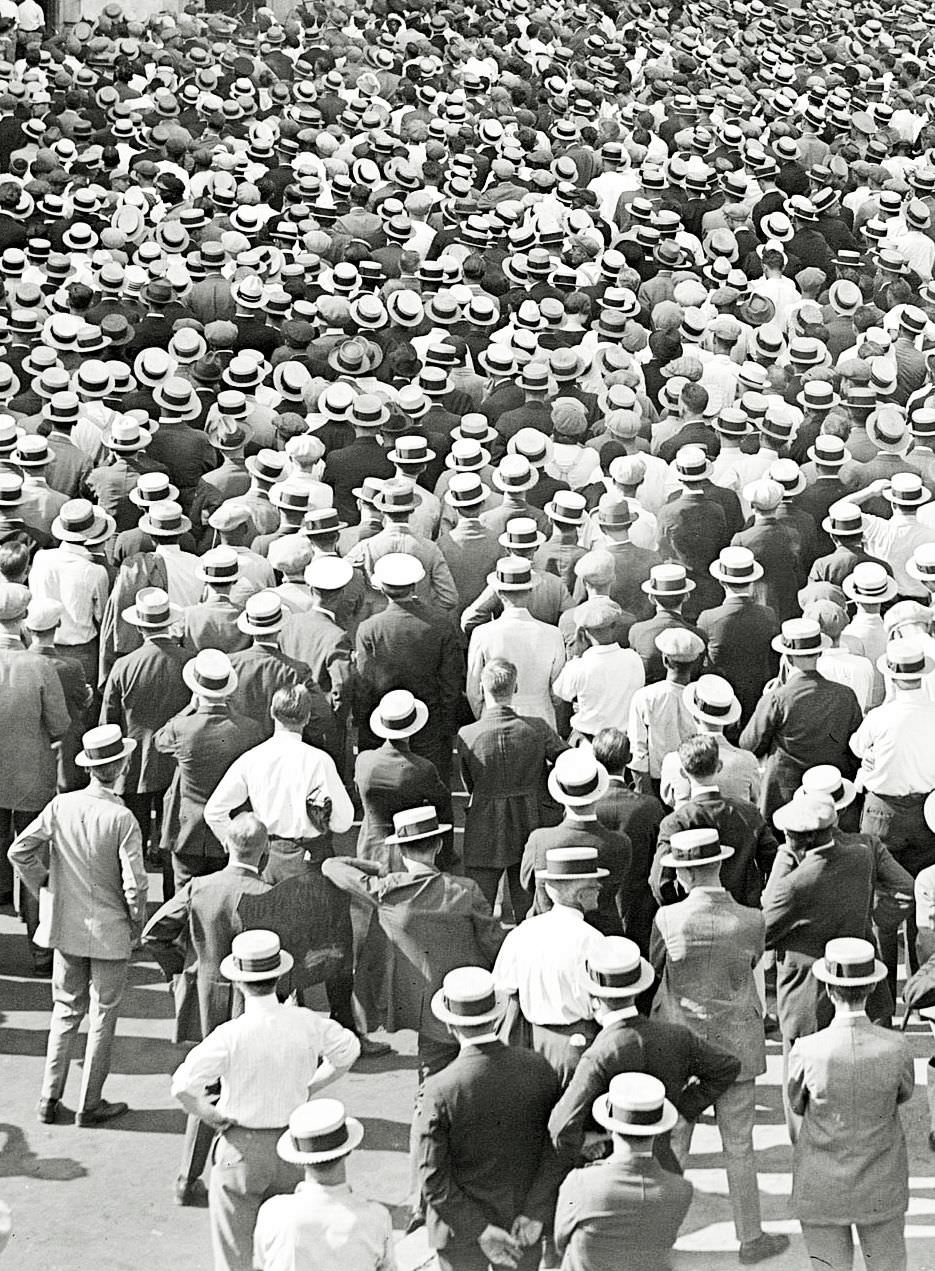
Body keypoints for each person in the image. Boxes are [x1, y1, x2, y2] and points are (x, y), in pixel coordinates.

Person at [170, 929, 360, 1271]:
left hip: (238, 1151)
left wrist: (209, 1114)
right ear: (279, 976)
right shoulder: (307, 1022)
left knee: (234, 1253)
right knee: (288, 1251)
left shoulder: (230, 1035)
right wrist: (314, 1085)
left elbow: (183, 1085)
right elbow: (348, 1051)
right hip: (294, 1147)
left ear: (240, 983)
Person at [650, 828, 789, 1265]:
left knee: (674, 1142)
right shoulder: (752, 919)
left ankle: (660, 1239)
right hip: (736, 1046)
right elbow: (752, 963)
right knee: (739, 1146)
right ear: (719, 865)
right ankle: (750, 1239)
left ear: (685, 874)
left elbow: (655, 968)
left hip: (682, 1045)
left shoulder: (666, 920)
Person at [9, 724, 147, 1126]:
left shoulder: (60, 806)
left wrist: (46, 886)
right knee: (103, 1016)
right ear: (119, 766)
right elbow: (135, 883)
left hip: (66, 926)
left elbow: (20, 851)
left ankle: (49, 1097)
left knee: (65, 1012)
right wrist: (135, 922)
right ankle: (90, 1102)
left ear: (89, 767)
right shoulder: (122, 819)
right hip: (110, 929)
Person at [414, 966, 563, 1271]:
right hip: (522, 1226)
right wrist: (535, 1212)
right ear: (496, 1016)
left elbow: (431, 1177)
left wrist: (479, 1230)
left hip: (460, 1235)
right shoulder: (538, 1067)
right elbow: (557, 1148)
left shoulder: (439, 1090)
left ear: (448, 1024)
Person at [548, 935, 740, 1171]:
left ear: (593, 998)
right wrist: (682, 1110)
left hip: (609, 1169)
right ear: (636, 990)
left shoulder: (599, 1054)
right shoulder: (677, 1036)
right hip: (663, 1167)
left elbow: (560, 1126)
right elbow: (727, 1066)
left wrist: (582, 1145)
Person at [787, 938, 914, 1271]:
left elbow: (796, 1106)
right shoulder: (897, 1046)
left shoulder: (806, 1049)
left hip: (821, 1184)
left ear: (828, 990)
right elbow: (904, 1094)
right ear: (872, 986)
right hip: (881, 1182)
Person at [458, 658, 567, 919]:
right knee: (529, 905)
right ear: (515, 687)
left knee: (480, 907)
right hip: (531, 819)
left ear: (483, 690)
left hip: (484, 822)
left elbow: (468, 781)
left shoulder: (467, 734)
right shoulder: (537, 727)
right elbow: (567, 761)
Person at [554, 1073, 693, 1271]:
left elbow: (560, 1241)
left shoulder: (579, 1183)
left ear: (609, 1128)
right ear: (658, 1130)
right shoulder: (681, 1189)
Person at [153, 650, 266, 889]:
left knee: (183, 899)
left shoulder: (181, 727)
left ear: (196, 690)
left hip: (187, 829)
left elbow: (159, 741)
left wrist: (187, 709)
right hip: (229, 829)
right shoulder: (250, 729)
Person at [494, 846, 608, 1084]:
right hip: (576, 1047)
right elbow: (603, 1004)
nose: (600, 887)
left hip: (528, 1046)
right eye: (594, 883)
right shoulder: (592, 940)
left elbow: (501, 990)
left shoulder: (522, 932)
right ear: (580, 894)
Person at [740, 618, 862, 820]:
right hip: (831, 791)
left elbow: (749, 745)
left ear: (787, 658)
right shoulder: (845, 695)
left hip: (784, 794)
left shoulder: (776, 698)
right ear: (820, 652)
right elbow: (855, 747)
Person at [253, 1099, 395, 1271]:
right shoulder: (376, 1218)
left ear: (298, 1161)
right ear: (348, 1151)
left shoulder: (273, 1212)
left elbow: (261, 1264)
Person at [520, 751, 632, 935]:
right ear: (598, 790)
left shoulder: (539, 840)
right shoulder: (620, 843)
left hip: (546, 933)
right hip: (604, 935)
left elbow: (527, 884)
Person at [354, 690, 451, 866]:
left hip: (369, 848)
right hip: (408, 851)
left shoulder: (363, 761)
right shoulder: (422, 768)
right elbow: (443, 806)